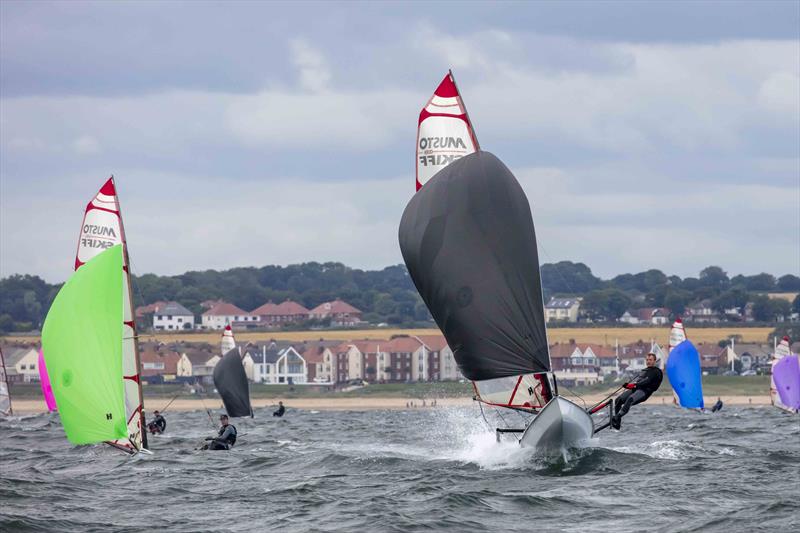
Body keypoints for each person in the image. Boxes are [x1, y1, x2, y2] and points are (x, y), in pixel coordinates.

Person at [612, 351, 663, 429]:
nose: (648, 361)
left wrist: (633, 385)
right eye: (647, 360)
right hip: (636, 389)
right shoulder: (645, 370)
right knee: (618, 400)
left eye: (650, 360)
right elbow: (638, 382)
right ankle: (617, 422)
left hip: (644, 392)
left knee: (630, 399)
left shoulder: (656, 372)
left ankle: (617, 417)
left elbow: (646, 381)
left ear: (654, 361)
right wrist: (628, 386)